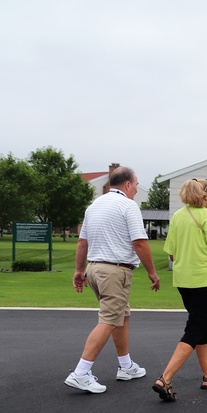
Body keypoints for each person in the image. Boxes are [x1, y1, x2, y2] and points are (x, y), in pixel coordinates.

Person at [65, 166, 160, 393]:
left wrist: (79, 271)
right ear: (127, 185)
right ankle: (81, 372)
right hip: (115, 271)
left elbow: (82, 242)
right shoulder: (128, 206)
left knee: (121, 316)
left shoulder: (94, 205)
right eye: (136, 185)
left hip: (94, 269)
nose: (136, 190)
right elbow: (139, 242)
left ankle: (126, 366)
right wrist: (152, 272)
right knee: (109, 319)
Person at [152, 178, 207, 402]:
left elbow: (171, 254)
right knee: (194, 329)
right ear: (204, 195)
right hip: (204, 279)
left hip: (183, 280)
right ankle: (165, 379)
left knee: (201, 324)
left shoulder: (177, 216)